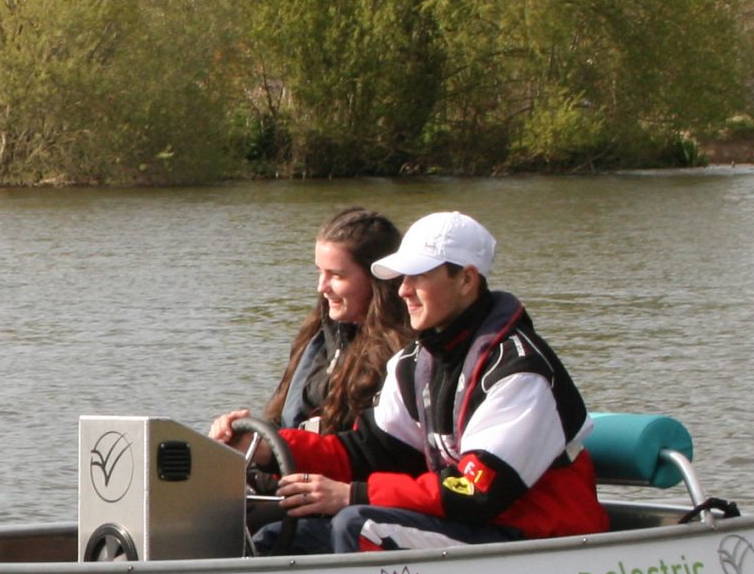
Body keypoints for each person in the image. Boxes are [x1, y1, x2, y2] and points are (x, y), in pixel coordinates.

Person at [259, 210, 605, 553]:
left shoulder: (519, 372)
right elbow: (368, 451)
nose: (403, 290)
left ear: (466, 280)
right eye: (402, 277)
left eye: (419, 277)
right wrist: (267, 447)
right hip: (473, 528)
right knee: (277, 536)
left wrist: (354, 494)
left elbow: (476, 491)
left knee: (358, 523)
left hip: (542, 540)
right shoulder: (413, 363)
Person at [208, 206, 413, 447]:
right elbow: (287, 422)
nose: (321, 287)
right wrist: (249, 436)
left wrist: (280, 449)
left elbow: (376, 449)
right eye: (320, 272)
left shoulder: (403, 356)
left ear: (377, 278)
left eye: (336, 275)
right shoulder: (318, 338)